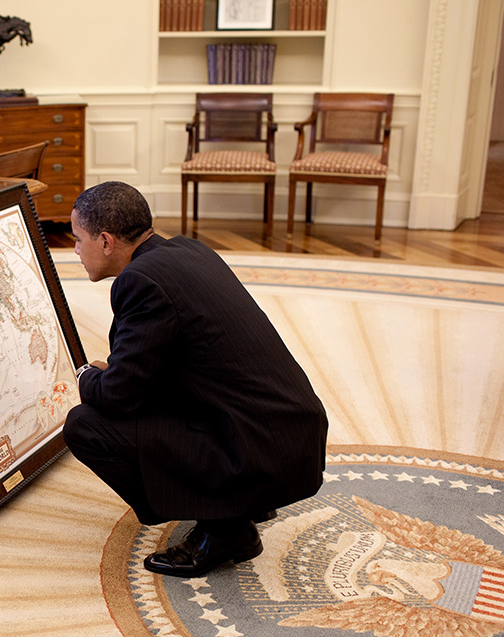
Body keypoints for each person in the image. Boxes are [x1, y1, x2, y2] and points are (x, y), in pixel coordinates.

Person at [62, 181, 329, 578]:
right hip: (291, 436)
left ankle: (226, 528)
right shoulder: (186, 249)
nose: (75, 250)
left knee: (85, 425)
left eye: (78, 239)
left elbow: (117, 398)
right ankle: (243, 504)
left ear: (105, 241)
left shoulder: (140, 283)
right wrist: (116, 374)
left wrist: (86, 376)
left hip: (262, 454)